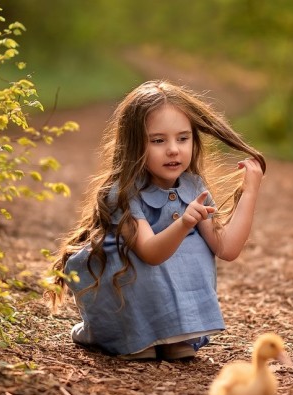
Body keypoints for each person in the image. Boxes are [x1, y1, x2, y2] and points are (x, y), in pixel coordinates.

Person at [48, 80, 265, 361]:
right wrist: (184, 223)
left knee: (197, 245)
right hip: (125, 293)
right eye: (158, 140)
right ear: (134, 145)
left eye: (183, 138)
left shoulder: (193, 188)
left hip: (161, 286)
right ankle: (129, 333)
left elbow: (227, 248)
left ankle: (176, 333)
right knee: (145, 253)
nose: (173, 149)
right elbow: (150, 252)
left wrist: (250, 192)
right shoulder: (123, 194)